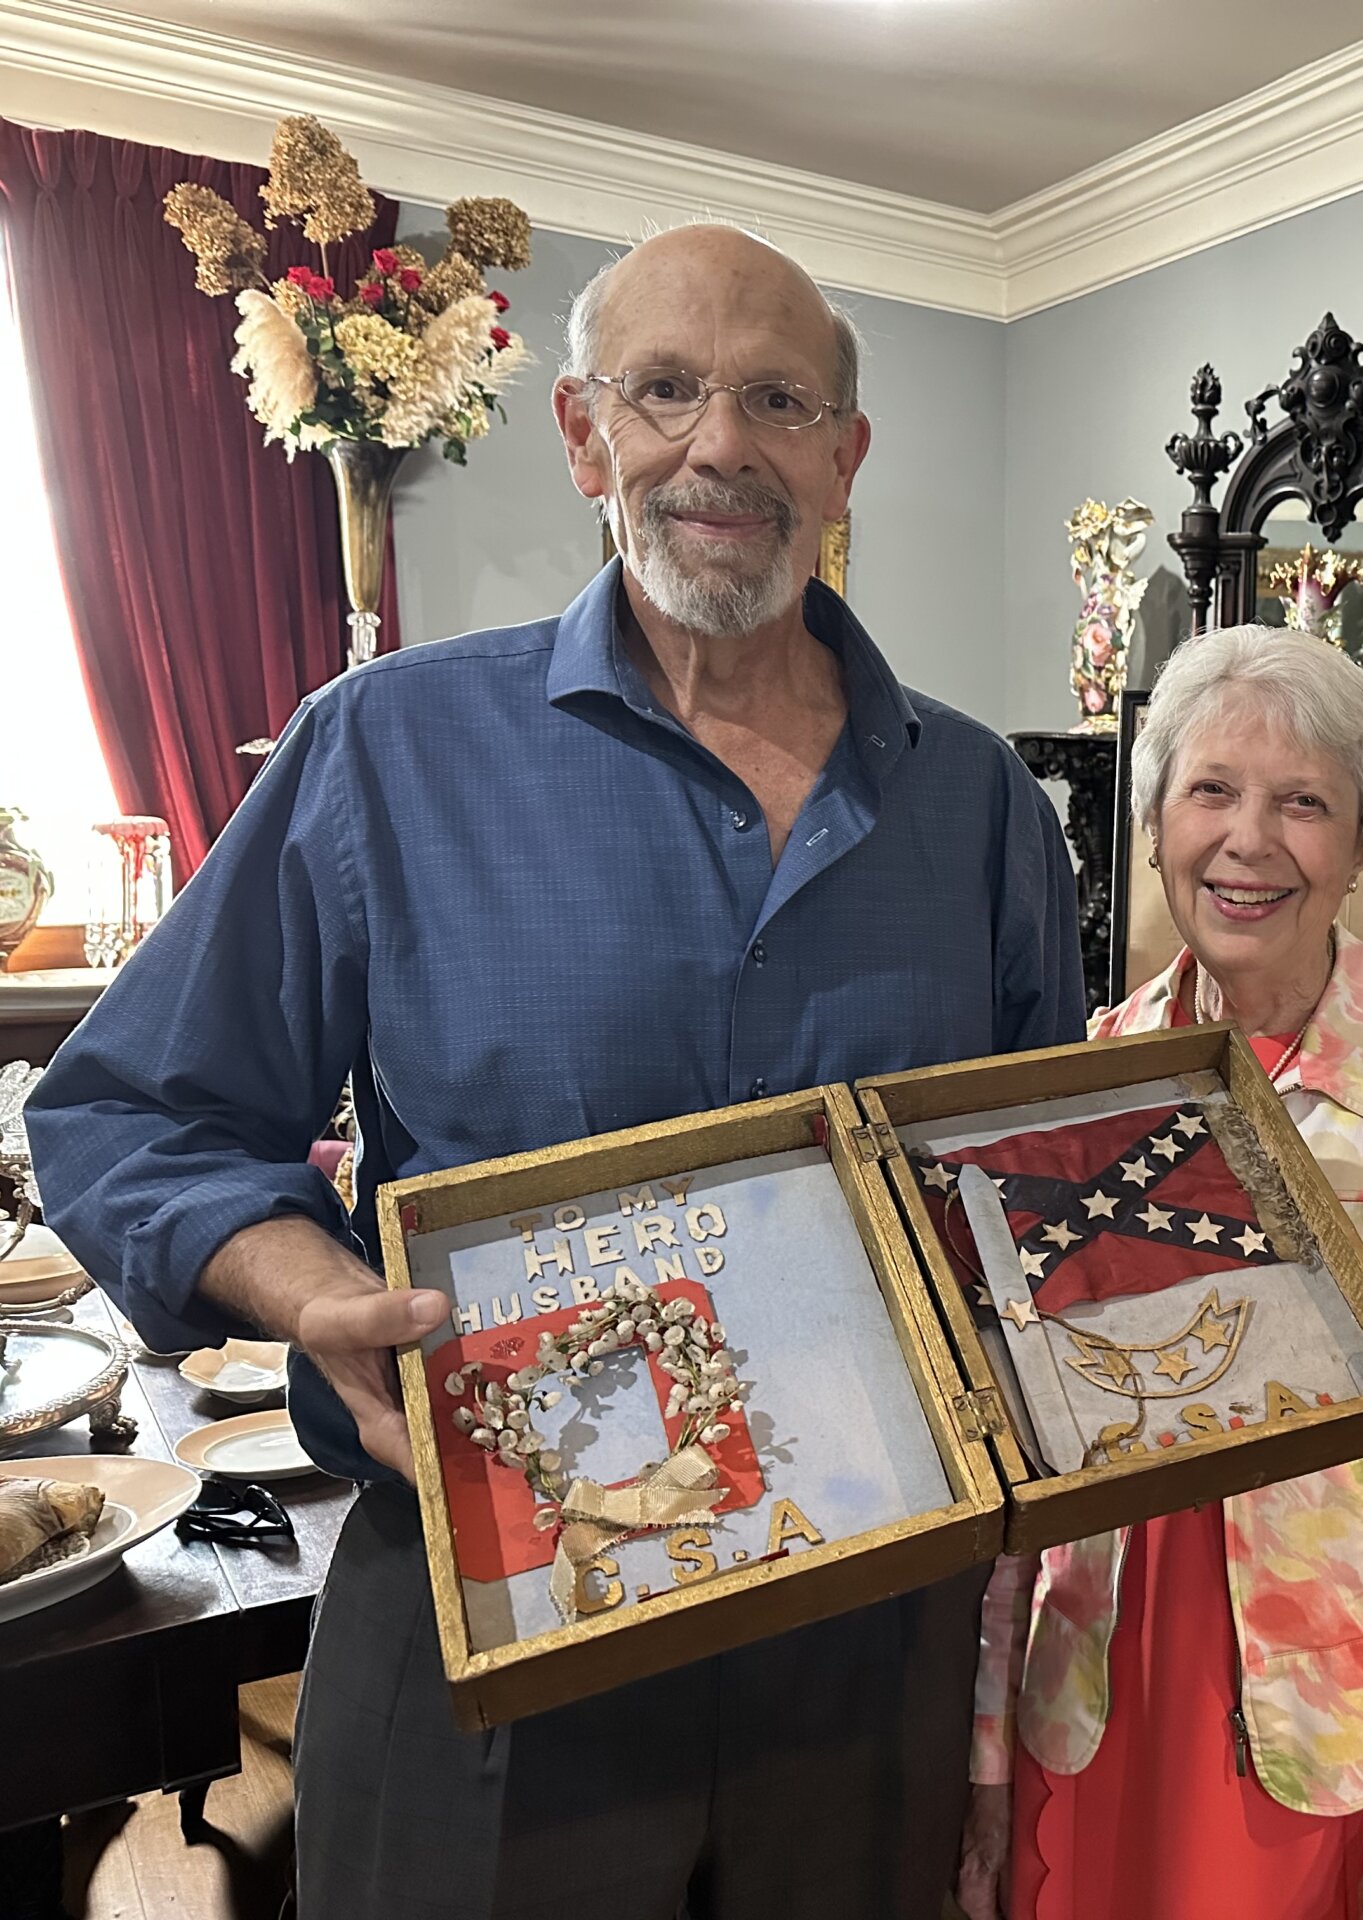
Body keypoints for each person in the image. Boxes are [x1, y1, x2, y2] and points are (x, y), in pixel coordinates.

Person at [27, 222, 1083, 1920]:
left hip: (865, 1641)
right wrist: (313, 1294)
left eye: (778, 400)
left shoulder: (982, 807)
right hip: (493, 1623)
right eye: (664, 391)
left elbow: (1028, 1182)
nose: (720, 444)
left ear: (844, 459)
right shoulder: (387, 750)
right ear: (585, 436)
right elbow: (130, 1113)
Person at [954, 626, 1363, 1920]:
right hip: (1099, 1695)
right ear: (1154, 828)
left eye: (1303, 802)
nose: (1249, 840)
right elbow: (1019, 1457)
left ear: (1359, 846)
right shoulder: (1089, 1069)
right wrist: (987, 1758)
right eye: (1211, 791)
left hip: (1337, 1728)